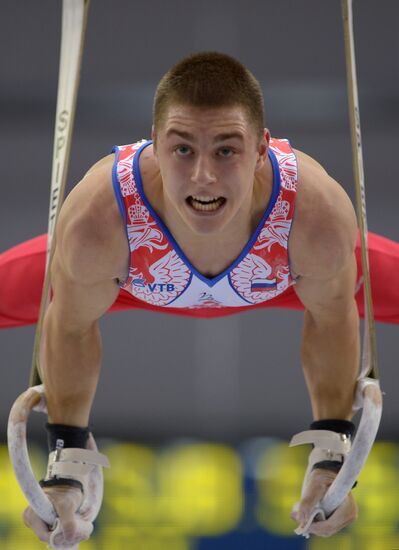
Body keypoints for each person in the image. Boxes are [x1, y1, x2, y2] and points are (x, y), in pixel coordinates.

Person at [17, 50, 382, 544]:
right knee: (58, 276)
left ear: (261, 150)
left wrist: (332, 452)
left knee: (353, 272)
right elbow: (72, 326)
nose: (203, 177)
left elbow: (332, 318)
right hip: (128, 279)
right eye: (183, 149)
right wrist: (67, 460)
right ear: (154, 148)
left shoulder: (315, 215)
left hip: (284, 275)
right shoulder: (97, 222)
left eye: (226, 150)